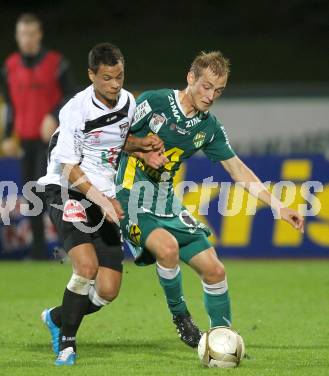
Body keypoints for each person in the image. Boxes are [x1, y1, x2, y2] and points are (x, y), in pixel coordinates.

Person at [116, 51, 304, 348]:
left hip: (166, 200)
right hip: (129, 195)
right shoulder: (154, 102)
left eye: (218, 90)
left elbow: (238, 169)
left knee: (215, 270)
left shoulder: (209, 127)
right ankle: (181, 318)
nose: (211, 95)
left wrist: (278, 205)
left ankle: (222, 341)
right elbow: (112, 138)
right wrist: (140, 150)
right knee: (167, 248)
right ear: (190, 79)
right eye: (206, 86)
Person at [38, 42, 163, 366]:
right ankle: (67, 344)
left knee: (108, 289)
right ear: (91, 75)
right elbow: (68, 167)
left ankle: (57, 317)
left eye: (119, 76)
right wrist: (103, 202)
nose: (115, 84)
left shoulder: (128, 101)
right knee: (86, 267)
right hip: (67, 188)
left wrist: (140, 149)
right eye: (107, 78)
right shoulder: (75, 110)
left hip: (102, 192)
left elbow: (114, 140)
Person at [0, 13, 75, 259]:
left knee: (55, 196)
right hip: (27, 142)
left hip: (54, 143)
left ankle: (72, 249)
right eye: (23, 34)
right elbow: (8, 104)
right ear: (17, 36)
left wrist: (53, 114)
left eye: (32, 34)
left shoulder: (56, 64)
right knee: (32, 197)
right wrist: (7, 134)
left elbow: (72, 98)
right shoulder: (10, 67)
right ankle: (39, 253)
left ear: (40, 35)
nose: (28, 39)